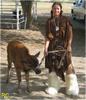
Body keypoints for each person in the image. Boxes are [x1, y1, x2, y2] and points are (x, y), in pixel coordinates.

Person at [44, 2, 79, 96]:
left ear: (61, 10)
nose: (56, 10)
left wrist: (69, 45)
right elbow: (47, 37)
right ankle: (53, 86)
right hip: (52, 47)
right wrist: (45, 48)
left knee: (68, 65)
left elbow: (70, 35)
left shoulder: (66, 20)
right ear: (52, 9)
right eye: (55, 8)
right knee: (52, 67)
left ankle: (72, 86)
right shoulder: (49, 21)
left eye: (58, 8)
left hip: (64, 47)